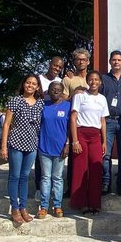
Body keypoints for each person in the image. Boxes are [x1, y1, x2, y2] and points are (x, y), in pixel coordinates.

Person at [1, 76, 42, 225]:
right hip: (16, 142)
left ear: (37, 87)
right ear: (24, 84)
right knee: (14, 176)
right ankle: (15, 208)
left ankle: (23, 207)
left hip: (32, 144)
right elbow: (6, 124)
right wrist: (4, 146)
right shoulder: (15, 101)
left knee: (25, 176)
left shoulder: (40, 104)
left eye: (34, 84)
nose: (30, 85)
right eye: (28, 82)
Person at [70, 70, 107, 213]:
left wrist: (104, 141)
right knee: (81, 169)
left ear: (100, 82)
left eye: (96, 80)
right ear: (87, 81)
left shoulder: (102, 99)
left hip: (95, 136)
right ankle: (80, 203)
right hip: (81, 134)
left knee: (96, 169)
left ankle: (94, 203)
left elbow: (103, 120)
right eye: (91, 79)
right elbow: (73, 118)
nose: (93, 82)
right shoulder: (80, 96)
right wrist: (75, 141)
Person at [100, 50, 121, 194]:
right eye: (114, 60)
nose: (116, 62)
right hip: (108, 121)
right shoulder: (103, 79)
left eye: (119, 60)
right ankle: (106, 183)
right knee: (106, 154)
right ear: (110, 61)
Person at [35, 83, 71, 218]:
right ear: (48, 91)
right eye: (53, 89)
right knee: (45, 178)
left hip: (60, 149)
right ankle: (44, 206)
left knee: (57, 178)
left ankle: (57, 206)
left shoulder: (67, 106)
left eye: (58, 90)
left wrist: (67, 144)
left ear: (62, 91)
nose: (55, 91)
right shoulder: (43, 105)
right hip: (44, 147)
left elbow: (70, 127)